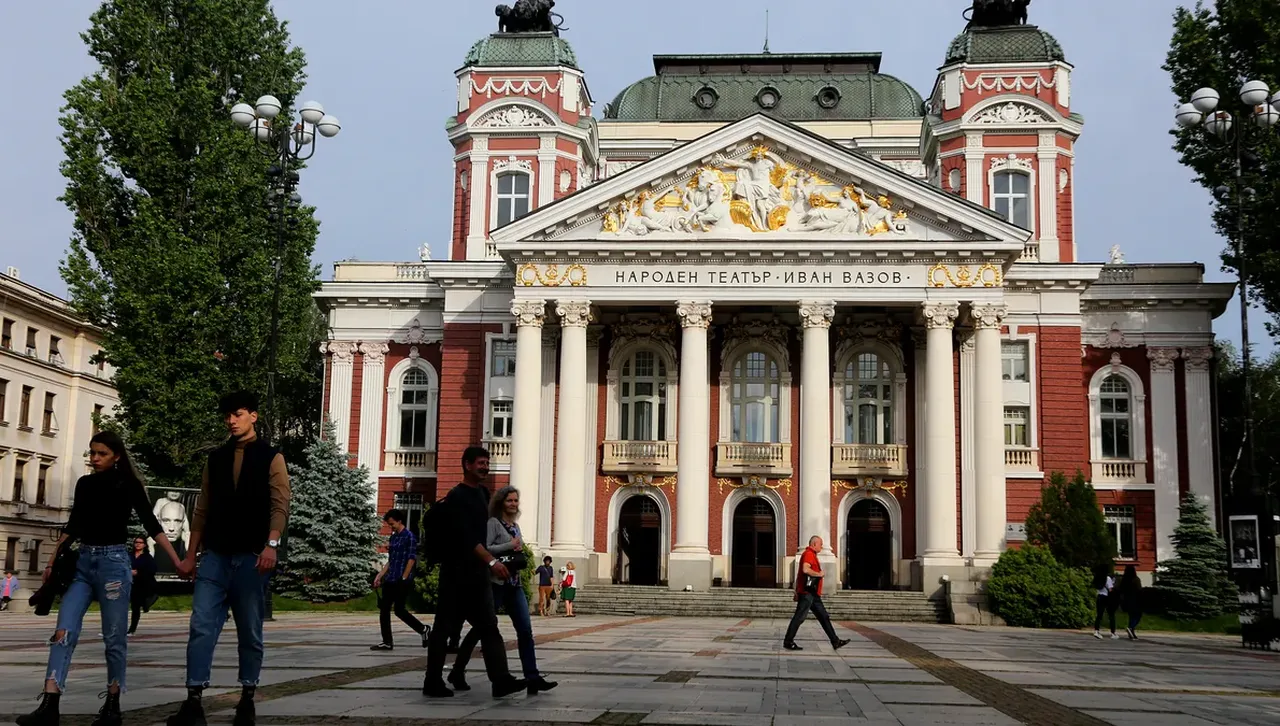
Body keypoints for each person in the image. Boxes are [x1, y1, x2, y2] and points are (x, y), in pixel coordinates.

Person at [17, 431, 183, 726]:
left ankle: (112, 705)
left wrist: (177, 560)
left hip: (113, 566)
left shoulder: (127, 484)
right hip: (83, 564)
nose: (94, 459)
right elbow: (75, 523)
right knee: (62, 633)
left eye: (101, 453)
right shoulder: (85, 483)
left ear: (116, 455)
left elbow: (151, 523)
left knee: (114, 639)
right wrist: (53, 559)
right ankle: (49, 705)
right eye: (92, 453)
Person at [167, 391, 291, 726]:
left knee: (250, 630)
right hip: (215, 557)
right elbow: (202, 509)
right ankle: (193, 701)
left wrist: (271, 544)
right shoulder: (216, 459)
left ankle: (247, 697)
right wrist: (191, 555)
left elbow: (280, 506)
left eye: (237, 414)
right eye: (227, 416)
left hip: (252, 558)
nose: (231, 421)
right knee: (201, 626)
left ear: (253, 415)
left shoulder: (271, 457)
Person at [422, 446, 525, 699]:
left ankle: (500, 680)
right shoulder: (458, 496)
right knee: (443, 629)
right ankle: (432, 681)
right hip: (456, 575)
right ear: (467, 465)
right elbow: (467, 538)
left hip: (477, 575)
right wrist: (492, 562)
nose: (485, 466)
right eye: (480, 462)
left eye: (487, 462)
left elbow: (482, 535)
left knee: (489, 627)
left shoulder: (482, 493)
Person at [451, 486, 557, 695]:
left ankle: (532, 677)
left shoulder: (515, 526)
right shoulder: (493, 523)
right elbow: (486, 547)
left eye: (516, 501)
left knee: (525, 631)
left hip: (514, 584)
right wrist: (510, 544)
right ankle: (457, 670)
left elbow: (515, 548)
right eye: (509, 500)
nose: (513, 504)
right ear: (501, 503)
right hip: (495, 584)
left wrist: (517, 546)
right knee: (481, 629)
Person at [370, 509, 429, 651]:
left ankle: (423, 629)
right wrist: (380, 575)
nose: (391, 527)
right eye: (389, 525)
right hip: (391, 578)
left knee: (399, 610)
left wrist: (404, 577)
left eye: (392, 524)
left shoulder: (410, 537)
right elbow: (391, 560)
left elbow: (411, 559)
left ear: (399, 521)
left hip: (402, 579)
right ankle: (387, 641)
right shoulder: (394, 537)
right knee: (384, 609)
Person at [782, 536, 851, 652]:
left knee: (824, 617)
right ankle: (788, 641)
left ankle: (835, 641)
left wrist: (796, 590)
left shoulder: (812, 554)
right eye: (820, 544)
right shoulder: (808, 554)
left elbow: (800, 575)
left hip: (812, 594)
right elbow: (805, 569)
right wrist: (819, 574)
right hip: (807, 593)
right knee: (799, 617)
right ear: (814, 544)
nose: (822, 546)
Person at [129, 537, 158, 635]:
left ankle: (132, 629)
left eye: (140, 543)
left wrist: (138, 573)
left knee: (135, 607)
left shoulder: (147, 557)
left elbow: (152, 570)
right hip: (129, 583)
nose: (138, 544)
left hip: (141, 585)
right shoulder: (130, 555)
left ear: (144, 545)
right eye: (136, 542)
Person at [1092, 566, 1118, 640]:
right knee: (1111, 615)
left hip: (1099, 597)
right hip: (1107, 598)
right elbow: (1110, 589)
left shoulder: (1097, 578)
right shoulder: (1108, 578)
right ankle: (1113, 633)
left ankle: (1096, 631)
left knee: (1099, 615)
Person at [1118, 564, 1143, 640]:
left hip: (1126, 600)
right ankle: (1131, 627)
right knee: (1138, 615)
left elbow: (1120, 590)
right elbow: (1139, 590)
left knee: (1131, 616)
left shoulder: (1124, 580)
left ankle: (1132, 633)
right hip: (1135, 599)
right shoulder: (1136, 579)